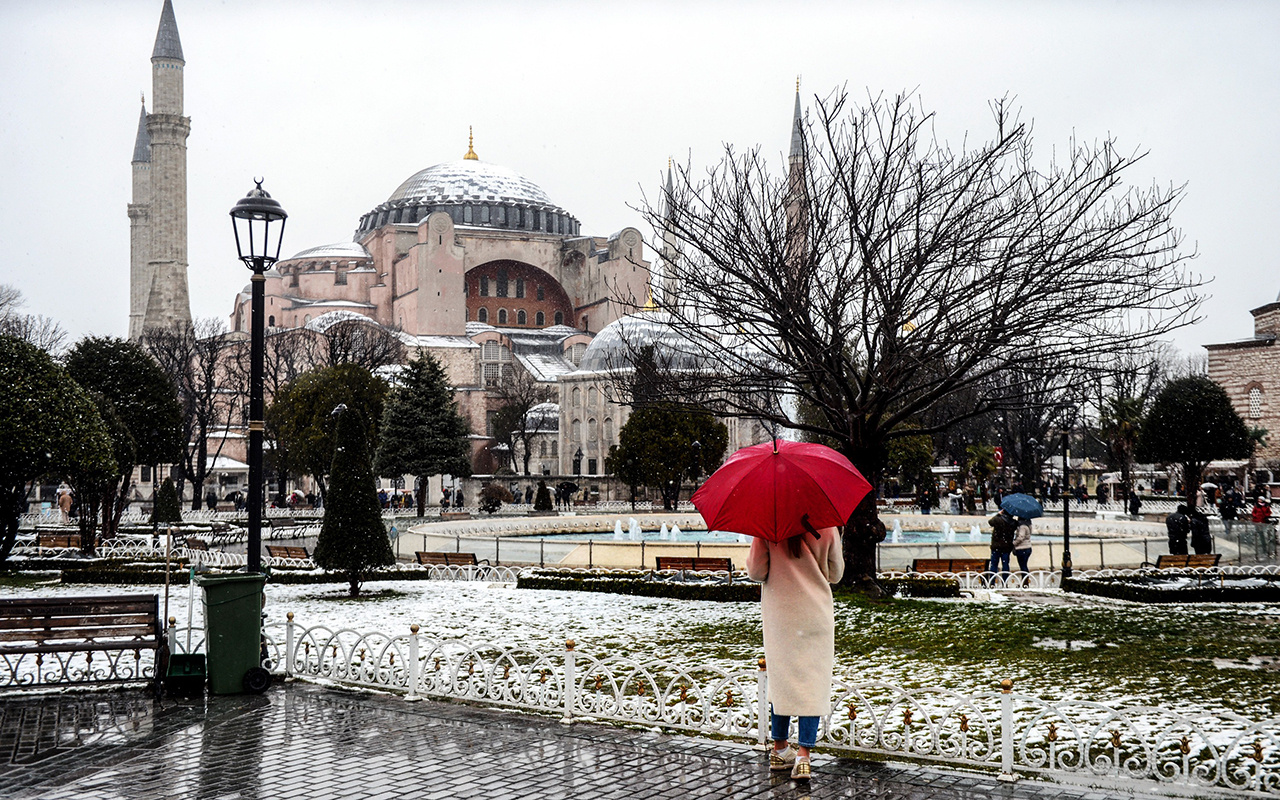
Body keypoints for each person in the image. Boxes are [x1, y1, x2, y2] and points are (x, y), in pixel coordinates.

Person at [746, 517, 844, 782]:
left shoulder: (767, 527)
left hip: (781, 616)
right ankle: (803, 756)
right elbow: (836, 574)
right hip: (815, 614)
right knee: (812, 682)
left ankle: (779, 749)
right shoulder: (826, 526)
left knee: (781, 679)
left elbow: (755, 572)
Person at [987, 508, 1015, 577]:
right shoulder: (1013, 523)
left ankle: (992, 581)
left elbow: (990, 522)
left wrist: (998, 514)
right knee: (1005, 565)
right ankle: (1005, 581)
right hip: (1007, 547)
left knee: (994, 564)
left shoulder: (998, 520)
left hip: (996, 546)